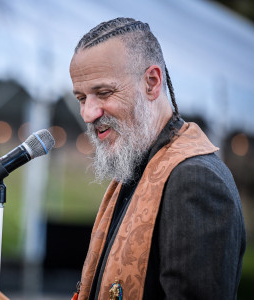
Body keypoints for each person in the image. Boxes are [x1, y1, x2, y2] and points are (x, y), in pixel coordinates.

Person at [69, 17, 246, 300]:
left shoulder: (195, 180)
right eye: (81, 98)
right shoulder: (138, 166)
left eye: (103, 93)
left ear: (152, 82)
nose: (88, 114)